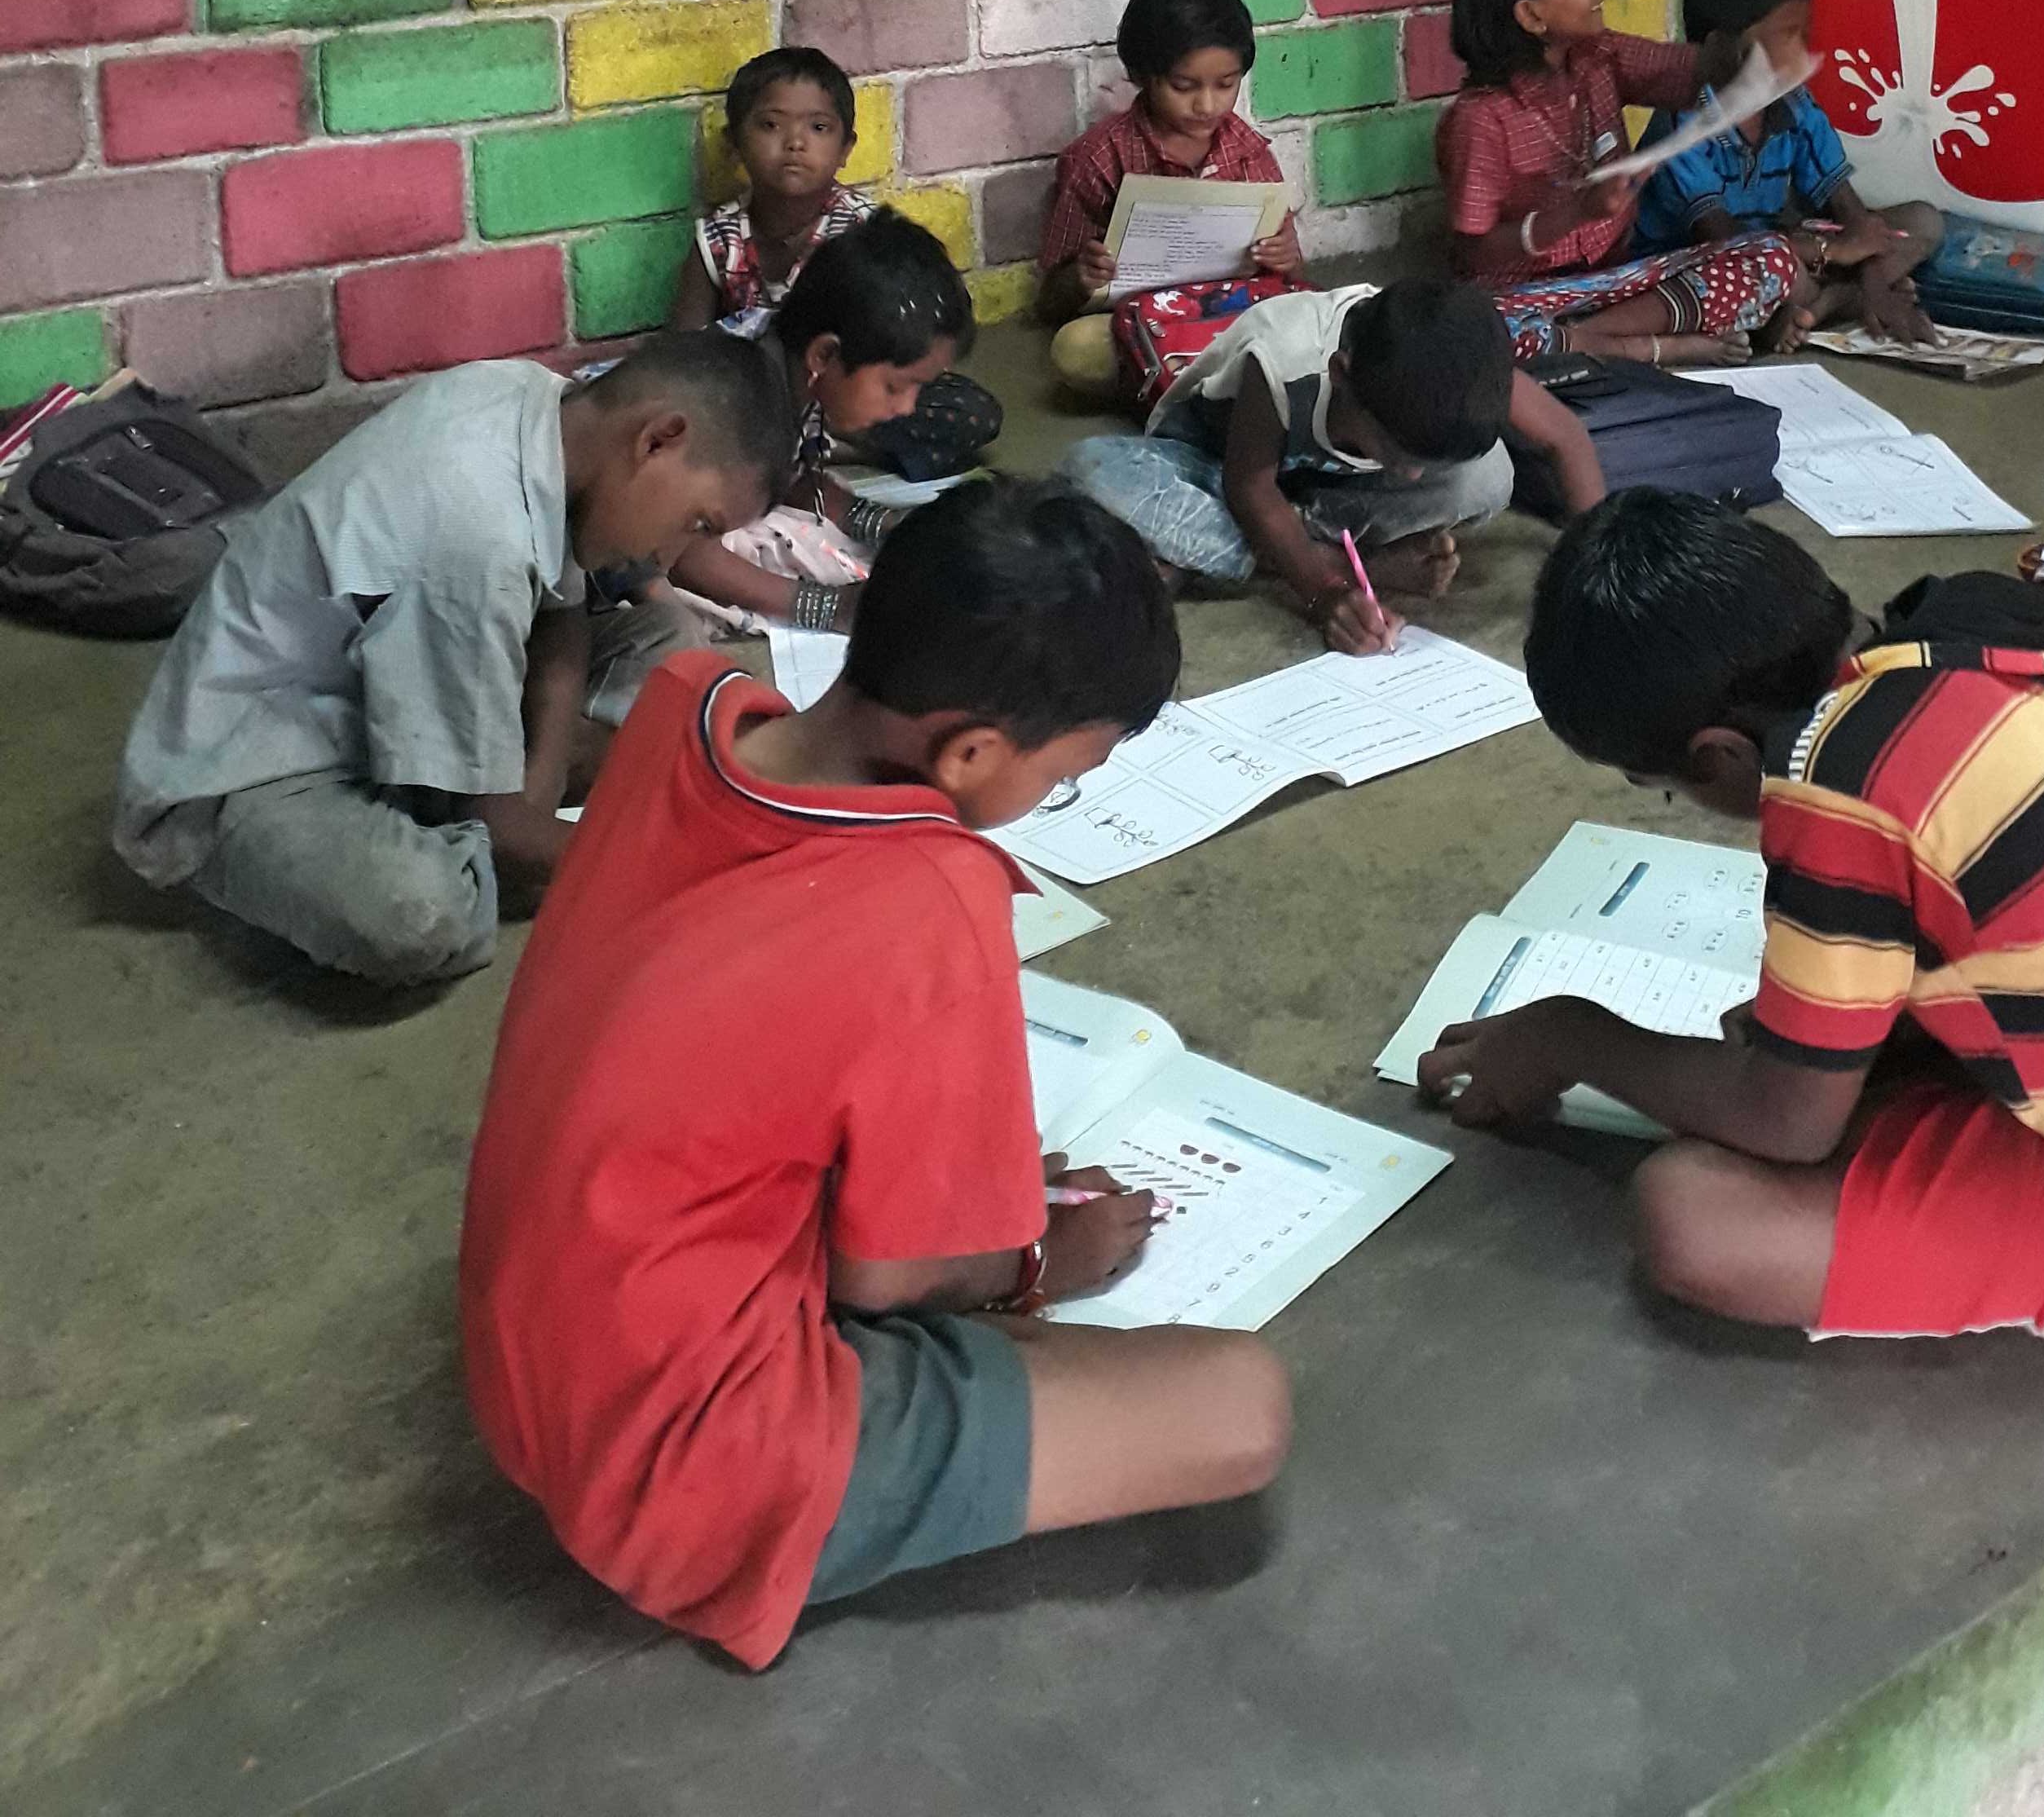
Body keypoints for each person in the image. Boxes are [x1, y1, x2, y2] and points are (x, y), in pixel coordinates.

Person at [460, 478, 1289, 1668]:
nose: (1052, 799)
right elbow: (889, 1279)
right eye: (1061, 776)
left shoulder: (692, 701)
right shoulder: (928, 893)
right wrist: (1037, 1256)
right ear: (968, 752)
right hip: (685, 1471)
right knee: (1239, 1401)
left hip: (530, 1367)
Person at [1419, 491, 2044, 1342]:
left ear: (1717, 758)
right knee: (1814, 1053)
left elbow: (1786, 1123)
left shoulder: (1840, 786)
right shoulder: (1978, 627)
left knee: (1697, 1216)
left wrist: (1571, 1037)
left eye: (1662, 788)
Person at [111, 334, 791, 991]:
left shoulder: (542, 402)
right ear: (658, 440)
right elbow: (500, 827)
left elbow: (561, 611)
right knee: (418, 913)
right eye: (698, 523)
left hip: (399, 668)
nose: (672, 557)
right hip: (258, 756)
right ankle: (434, 801)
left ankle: (473, 778)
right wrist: (684, 871)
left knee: (668, 639)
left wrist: (535, 789)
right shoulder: (475, 535)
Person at [1064, 276, 1601, 654]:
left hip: (1329, 498)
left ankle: (1218, 555)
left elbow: (1566, 437)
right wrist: (1326, 589)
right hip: (1216, 468)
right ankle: (1352, 559)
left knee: (1488, 478)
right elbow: (1249, 488)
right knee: (1094, 468)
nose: (1410, 474)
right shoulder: (1284, 360)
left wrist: (1601, 571)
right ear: (1341, 377)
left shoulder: (1459, 365)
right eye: (1394, 451)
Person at [590, 210, 980, 707]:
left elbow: (796, 474)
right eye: (896, 387)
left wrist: (878, 521)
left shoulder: (793, 369)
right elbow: (678, 550)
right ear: (824, 357)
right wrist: (825, 608)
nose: (906, 408)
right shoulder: (736, 406)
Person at [1434, 0, 1799, 368]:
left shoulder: (1599, 57)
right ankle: (1646, 347)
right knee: (1473, 336)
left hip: (1616, 286)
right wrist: (1576, 213)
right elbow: (1475, 253)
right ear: (1531, 16)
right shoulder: (1480, 119)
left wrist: (1745, 48)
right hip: (1523, 299)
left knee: (1770, 257)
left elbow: (1689, 70)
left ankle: (1582, 341)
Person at [672, 44, 1000, 479]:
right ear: (735, 143)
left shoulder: (861, 230)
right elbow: (682, 351)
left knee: (972, 412)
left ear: (846, 149)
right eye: (770, 125)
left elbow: (910, 340)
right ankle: (806, 445)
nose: (794, 143)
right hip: (762, 397)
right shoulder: (718, 239)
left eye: (819, 128)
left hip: (853, 386)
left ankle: (821, 446)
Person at [1636, 0, 1942, 344]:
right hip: (1699, 263)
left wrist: (1870, 271)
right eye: (1785, 37)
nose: (1799, 54)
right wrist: (1832, 253)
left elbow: (1850, 209)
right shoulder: (1683, 119)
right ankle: (1825, 303)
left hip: (1780, 247)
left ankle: (1831, 302)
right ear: (1719, 47)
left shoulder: (1792, 104)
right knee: (1783, 272)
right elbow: (1724, 243)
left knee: (1924, 221)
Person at [1037, 0, 1305, 403]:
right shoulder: (1099, 159)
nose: (1207, 104)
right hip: (1141, 324)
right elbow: (1050, 301)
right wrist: (1081, 278)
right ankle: (1217, 386)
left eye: (1226, 84)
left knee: (1330, 317)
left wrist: (1285, 258)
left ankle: (1192, 386)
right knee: (1077, 350)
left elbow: (1292, 279)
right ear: (1143, 75)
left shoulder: (1248, 151)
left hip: (1228, 315)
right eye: (1184, 86)